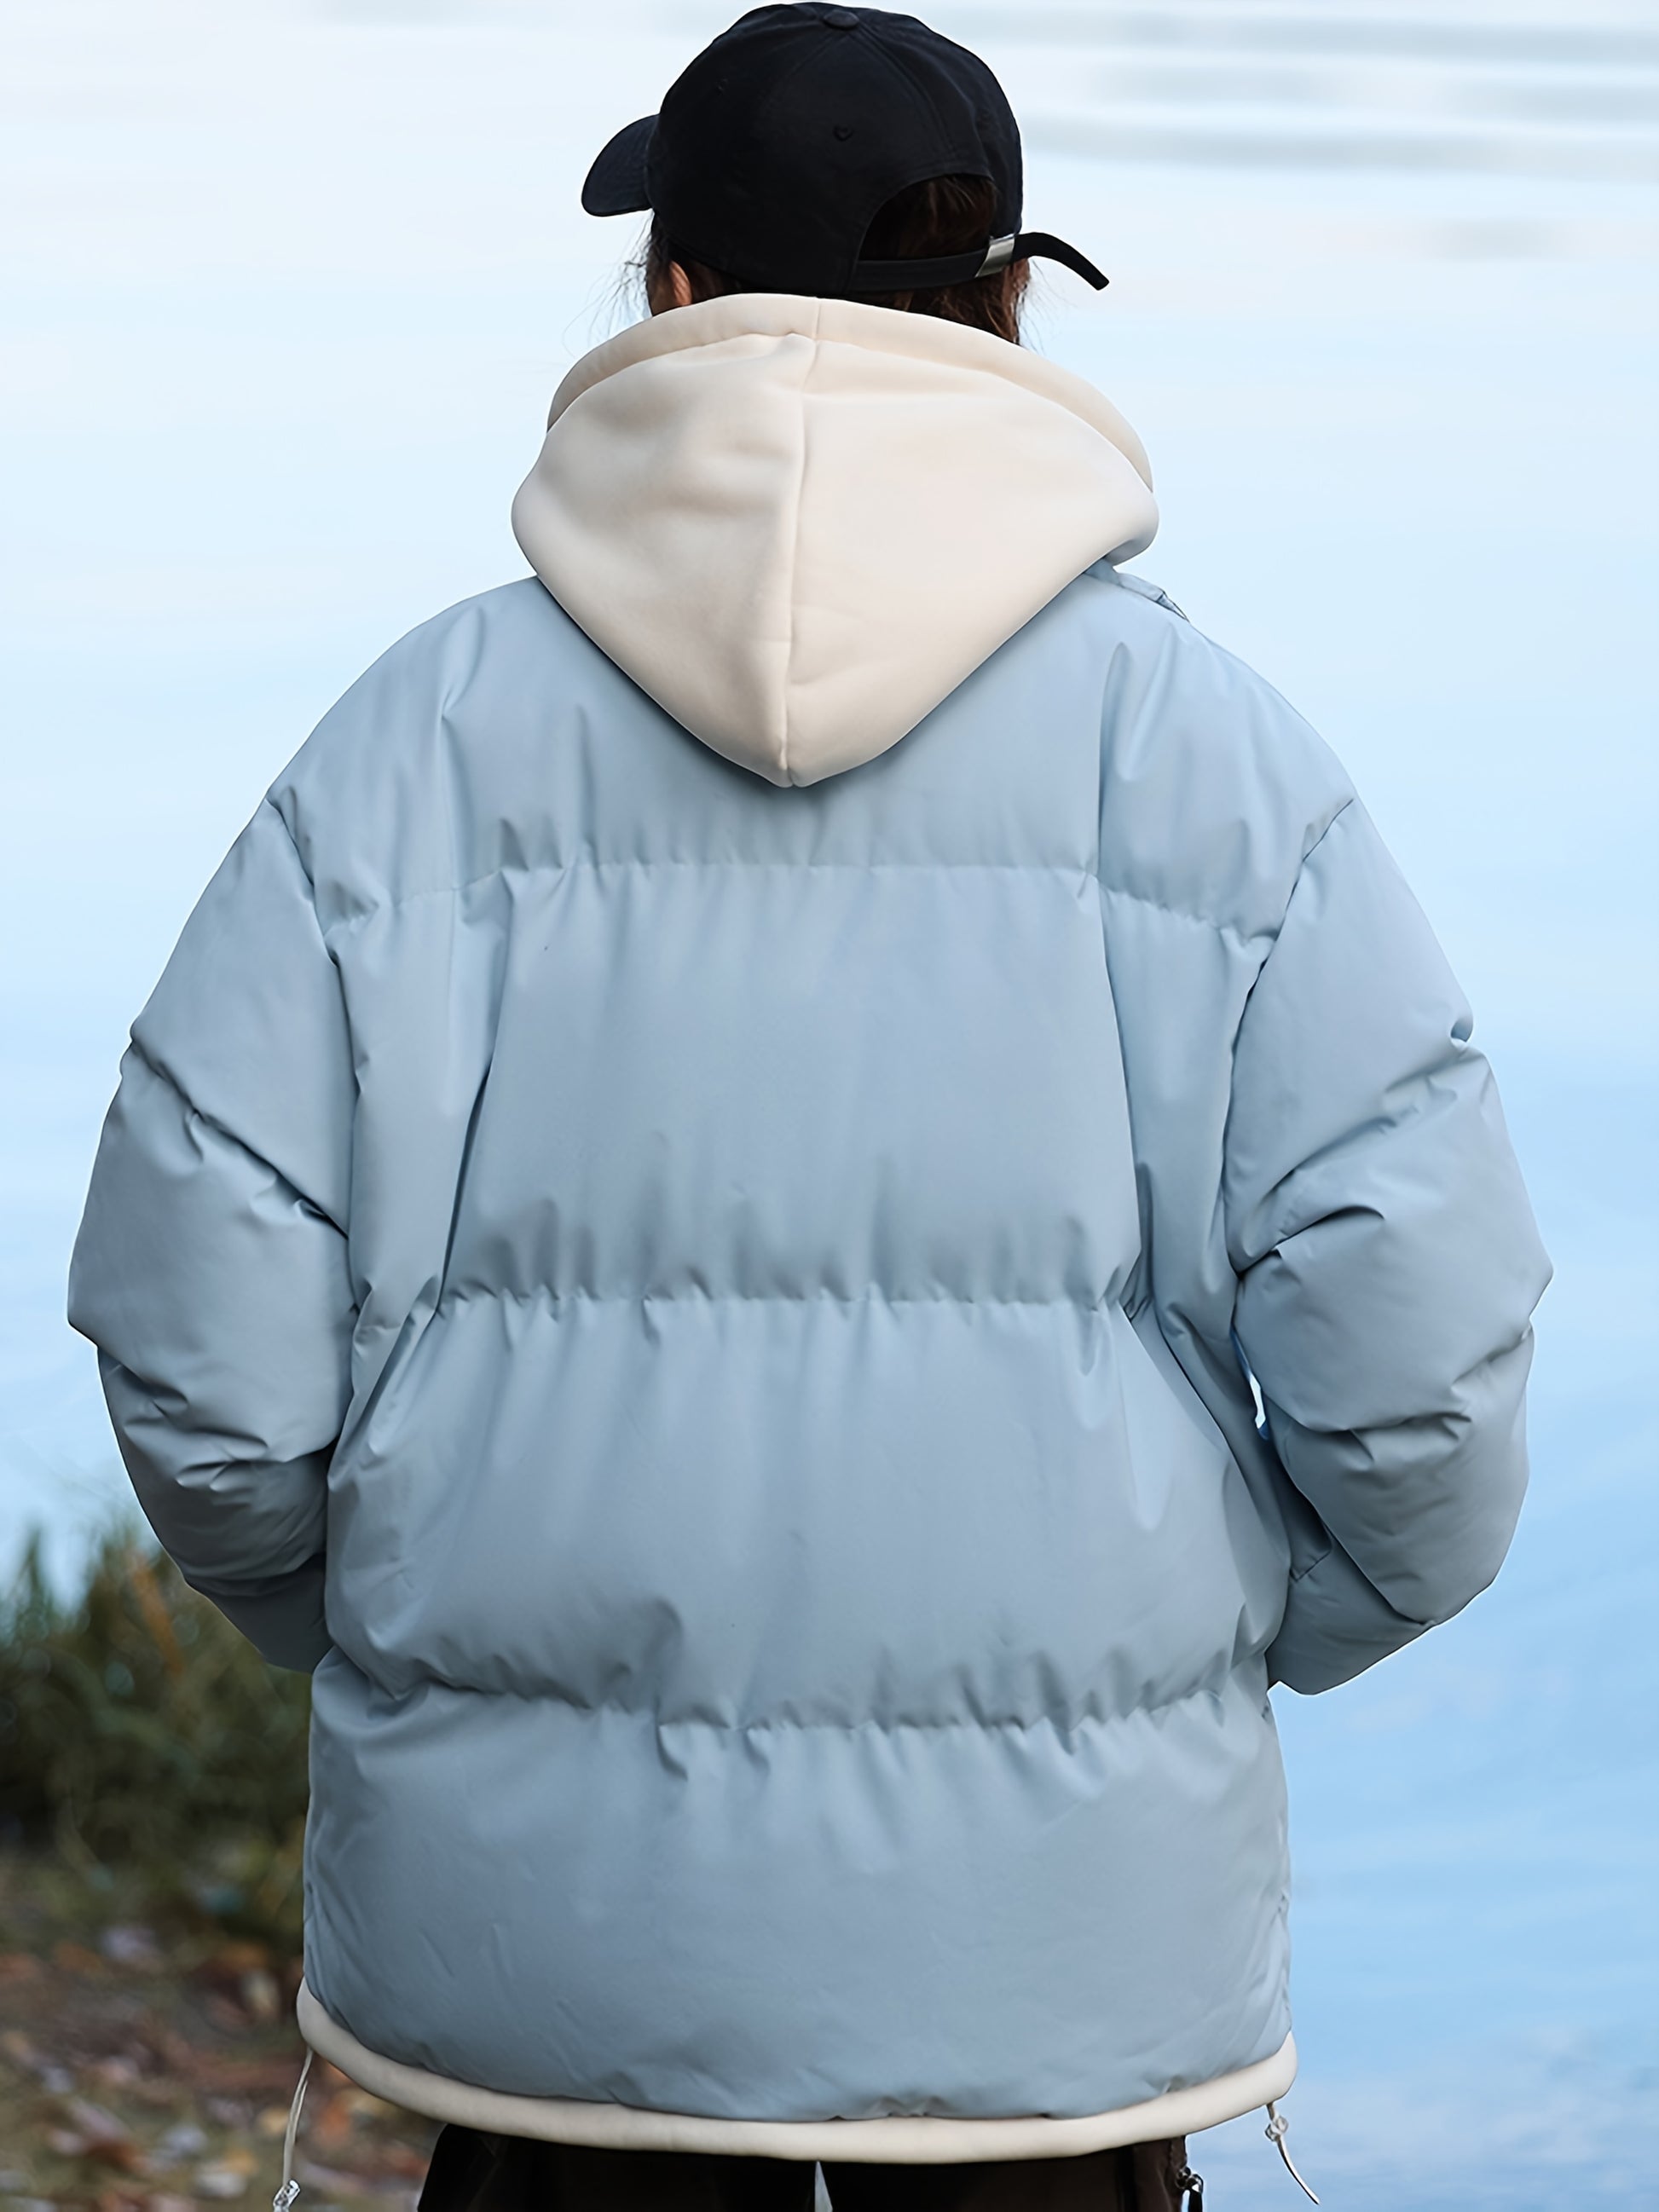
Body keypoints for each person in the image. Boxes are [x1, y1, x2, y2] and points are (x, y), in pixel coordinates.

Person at [66, 8, 1551, 2209]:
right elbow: (1422, 1394)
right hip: (1053, 1971)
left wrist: (387, 1629)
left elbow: (200, 1339)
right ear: (1009, 305)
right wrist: (1225, 1634)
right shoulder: (1220, 767)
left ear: (671, 293)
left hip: (553, 1974)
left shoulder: (410, 748)